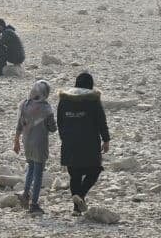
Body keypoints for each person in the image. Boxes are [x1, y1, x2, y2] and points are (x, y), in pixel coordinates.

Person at [57, 72, 110, 215]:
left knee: (75, 174)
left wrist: (65, 139)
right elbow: (101, 121)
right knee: (94, 170)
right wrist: (106, 140)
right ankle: (80, 195)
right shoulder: (93, 99)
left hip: (69, 143)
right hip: (89, 143)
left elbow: (60, 122)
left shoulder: (64, 99)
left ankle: (76, 208)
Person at [15, 79, 57, 215]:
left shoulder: (25, 105)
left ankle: (26, 194)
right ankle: (34, 204)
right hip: (40, 144)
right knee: (38, 174)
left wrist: (16, 141)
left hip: (27, 142)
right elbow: (52, 128)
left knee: (31, 169)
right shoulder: (45, 108)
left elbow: (19, 125)